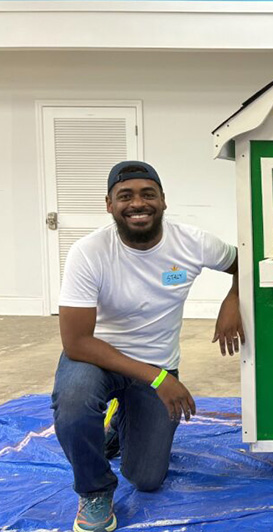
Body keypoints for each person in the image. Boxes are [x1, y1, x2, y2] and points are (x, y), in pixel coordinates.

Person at [52, 161, 243, 532]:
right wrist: (158, 379)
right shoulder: (88, 252)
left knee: (147, 477)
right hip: (97, 358)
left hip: (156, 364)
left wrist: (232, 301)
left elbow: (245, 263)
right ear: (109, 204)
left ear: (163, 201)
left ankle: (116, 427)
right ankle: (94, 491)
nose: (137, 203)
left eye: (147, 194)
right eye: (125, 196)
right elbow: (76, 342)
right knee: (75, 403)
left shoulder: (193, 242)